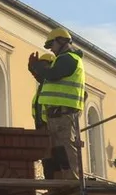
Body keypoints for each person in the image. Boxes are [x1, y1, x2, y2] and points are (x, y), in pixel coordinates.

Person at [29, 28, 85, 179]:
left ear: (61, 41)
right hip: (57, 115)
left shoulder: (68, 58)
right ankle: (64, 180)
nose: (51, 50)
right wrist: (35, 70)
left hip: (64, 113)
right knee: (58, 152)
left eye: (51, 45)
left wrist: (39, 67)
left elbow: (52, 75)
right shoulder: (64, 60)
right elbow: (48, 80)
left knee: (65, 149)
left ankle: (73, 180)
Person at [29, 51, 56, 130]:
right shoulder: (43, 86)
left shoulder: (54, 84)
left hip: (52, 127)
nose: (42, 70)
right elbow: (39, 76)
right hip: (40, 127)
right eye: (40, 67)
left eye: (44, 66)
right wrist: (32, 68)